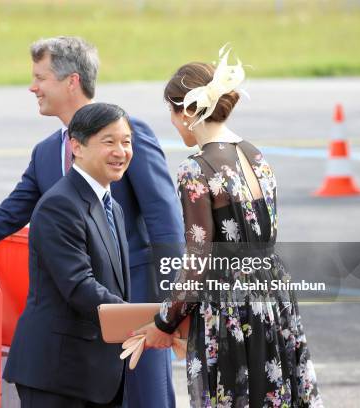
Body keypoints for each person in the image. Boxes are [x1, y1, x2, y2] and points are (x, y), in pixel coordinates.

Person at [0, 36, 184, 407]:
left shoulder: (126, 136)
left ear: (71, 82)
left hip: (140, 312)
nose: (32, 87)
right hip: (82, 331)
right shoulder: (46, 154)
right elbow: (4, 217)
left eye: (41, 77)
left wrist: (171, 306)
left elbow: (167, 225)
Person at [134, 48, 323, 407]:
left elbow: (198, 258)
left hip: (230, 305)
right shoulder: (255, 154)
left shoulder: (197, 169)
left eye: (172, 113)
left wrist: (165, 321)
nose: (173, 123)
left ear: (188, 111)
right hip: (273, 293)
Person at [3, 103, 132, 407]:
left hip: (94, 373)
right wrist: (145, 320)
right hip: (58, 374)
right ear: (77, 146)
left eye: (126, 142)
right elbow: (78, 286)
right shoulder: (60, 205)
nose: (121, 151)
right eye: (109, 141)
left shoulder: (114, 209)